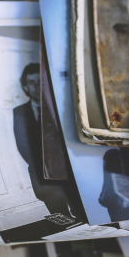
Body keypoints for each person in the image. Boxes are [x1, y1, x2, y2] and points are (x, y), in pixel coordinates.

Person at [12, 63, 76, 223]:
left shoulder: (59, 104)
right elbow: (23, 147)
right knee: (63, 220)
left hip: (70, 171)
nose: (36, 87)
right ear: (25, 87)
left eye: (39, 81)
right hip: (43, 176)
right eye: (31, 83)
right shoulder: (19, 113)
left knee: (81, 214)